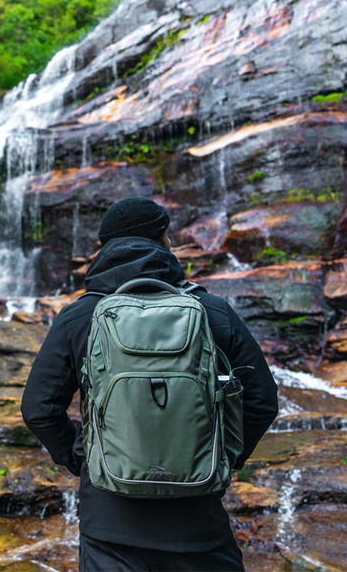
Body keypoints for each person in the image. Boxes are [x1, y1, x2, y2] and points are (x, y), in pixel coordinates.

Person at [21, 197, 279, 572]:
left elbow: (38, 409)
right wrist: (223, 457)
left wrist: (86, 461)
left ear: (104, 248)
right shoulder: (212, 311)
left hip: (110, 528)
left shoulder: (80, 317)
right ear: (164, 240)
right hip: (199, 526)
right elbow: (262, 400)